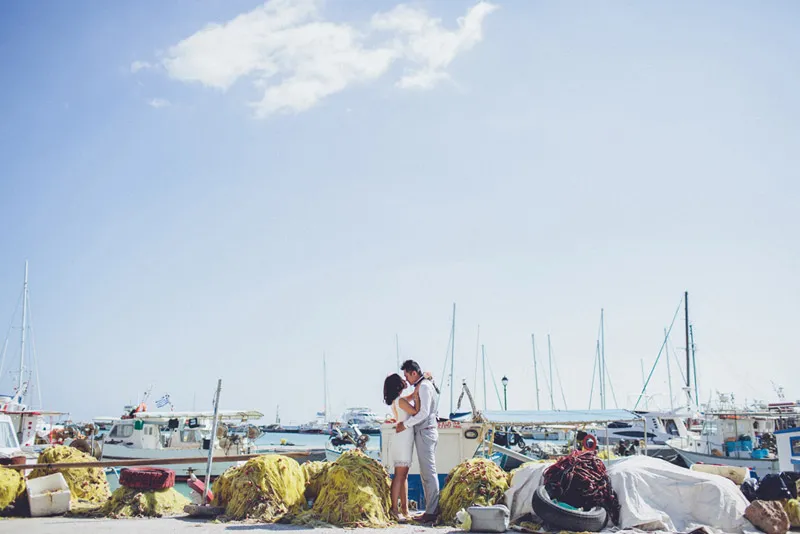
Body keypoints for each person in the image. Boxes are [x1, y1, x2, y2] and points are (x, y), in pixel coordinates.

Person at [396, 359, 439, 522]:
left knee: (428, 471)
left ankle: (432, 512)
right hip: (425, 432)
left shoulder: (425, 386)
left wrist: (404, 425)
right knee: (426, 471)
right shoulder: (423, 385)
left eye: (407, 376)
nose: (406, 379)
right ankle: (431, 509)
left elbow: (424, 413)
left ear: (414, 373)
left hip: (425, 432)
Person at [383, 373, 419, 521]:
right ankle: (394, 509)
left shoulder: (397, 401)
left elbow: (409, 397)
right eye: (402, 380)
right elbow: (416, 412)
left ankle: (404, 509)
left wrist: (416, 392)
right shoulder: (402, 401)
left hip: (401, 440)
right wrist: (418, 398)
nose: (405, 381)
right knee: (400, 475)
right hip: (403, 440)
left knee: (403, 475)